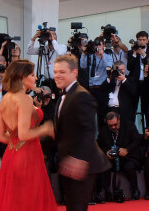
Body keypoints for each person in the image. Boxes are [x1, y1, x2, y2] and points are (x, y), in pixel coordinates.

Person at [0, 59, 57, 211]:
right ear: (22, 77)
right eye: (32, 75)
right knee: (28, 201)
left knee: (16, 202)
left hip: (11, 155)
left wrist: (15, 143)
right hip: (28, 156)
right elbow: (24, 134)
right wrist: (45, 129)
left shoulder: (6, 98)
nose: (35, 78)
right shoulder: (25, 99)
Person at [53, 54, 110, 211]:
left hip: (82, 164)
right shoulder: (64, 96)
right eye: (56, 71)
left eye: (62, 72)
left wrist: (79, 159)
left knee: (77, 207)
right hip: (68, 162)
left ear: (74, 73)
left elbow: (89, 130)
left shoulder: (81, 95)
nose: (57, 75)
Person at [97, 112, 141, 201]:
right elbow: (100, 144)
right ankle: (107, 191)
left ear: (119, 120)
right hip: (112, 158)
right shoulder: (104, 130)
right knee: (104, 166)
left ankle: (135, 190)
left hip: (127, 156)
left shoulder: (129, 126)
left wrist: (127, 150)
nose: (113, 127)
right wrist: (106, 152)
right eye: (110, 126)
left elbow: (137, 141)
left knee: (129, 167)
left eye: (115, 125)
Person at [127, 31, 149, 127]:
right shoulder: (131, 52)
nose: (142, 42)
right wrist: (135, 53)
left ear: (147, 41)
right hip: (135, 83)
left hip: (146, 84)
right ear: (137, 40)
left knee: (145, 109)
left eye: (144, 40)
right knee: (132, 108)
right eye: (140, 40)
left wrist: (144, 55)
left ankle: (146, 129)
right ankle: (131, 129)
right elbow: (129, 67)